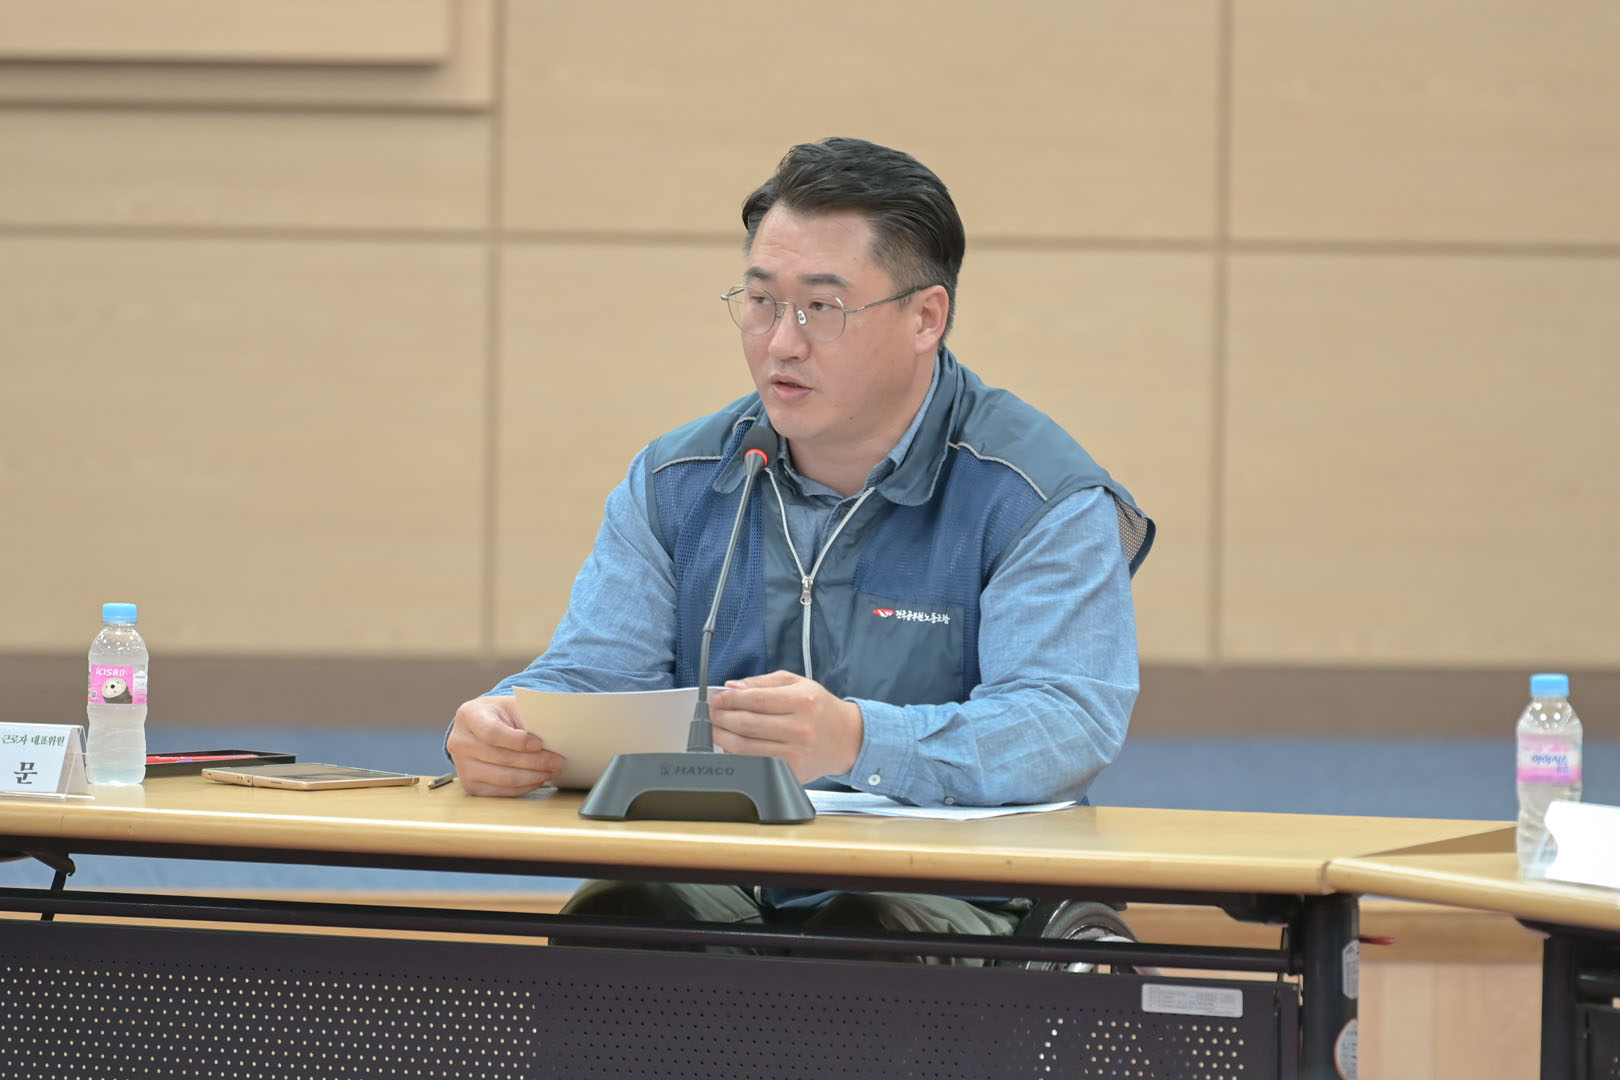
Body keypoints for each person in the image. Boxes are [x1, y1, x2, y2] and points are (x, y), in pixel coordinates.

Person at [445, 136, 1153, 962]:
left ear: (926, 318)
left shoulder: (1037, 494)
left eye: (821, 307)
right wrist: (507, 724)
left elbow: (1066, 723)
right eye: (760, 301)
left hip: (950, 883)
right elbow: (594, 676)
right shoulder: (681, 480)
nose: (782, 341)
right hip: (728, 870)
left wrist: (855, 739)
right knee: (623, 917)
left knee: (866, 934)